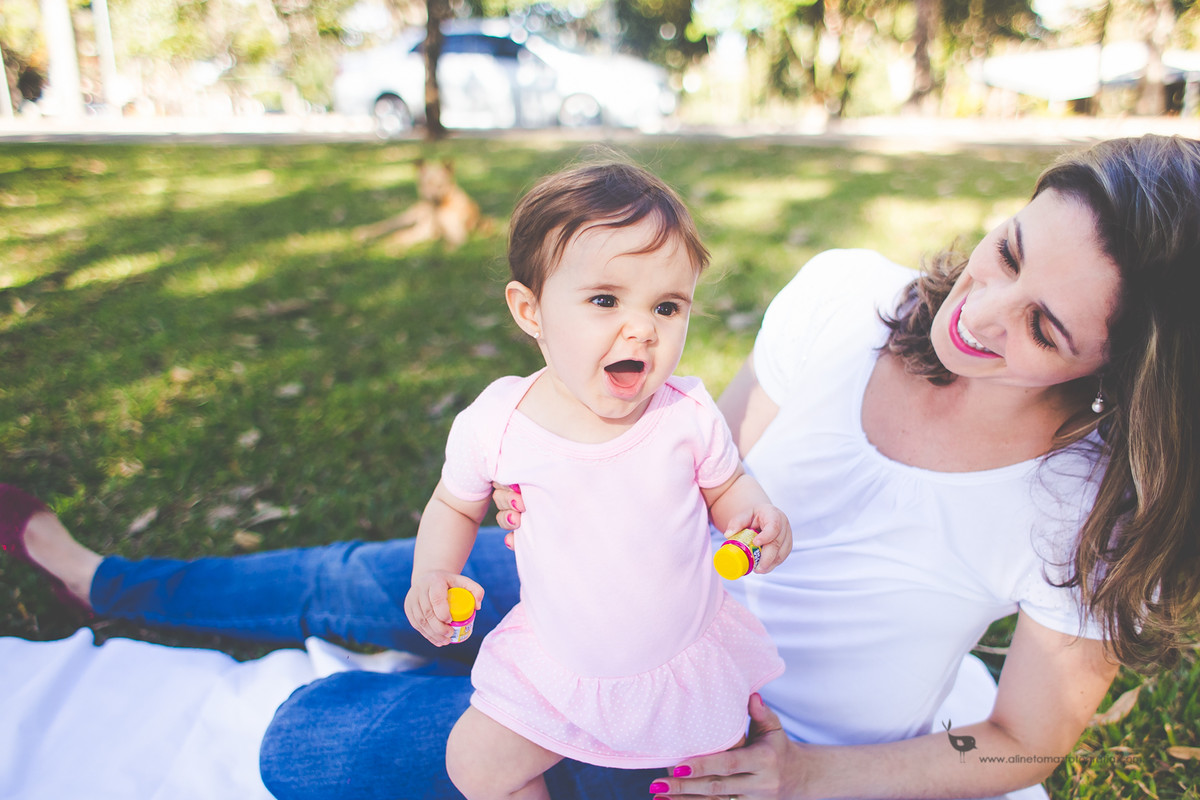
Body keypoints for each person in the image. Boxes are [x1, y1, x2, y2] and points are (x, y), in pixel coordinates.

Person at [3, 134, 1199, 800]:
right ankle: (107, 578)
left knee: (307, 745)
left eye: (1045, 326)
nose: (981, 311)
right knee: (371, 576)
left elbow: (1025, 737)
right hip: (618, 576)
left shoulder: (1082, 509)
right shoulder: (850, 295)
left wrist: (801, 774)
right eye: (1006, 251)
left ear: (1126, 371)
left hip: (721, 727)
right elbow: (710, 449)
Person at [401, 161, 788, 799]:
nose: (643, 328)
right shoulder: (498, 422)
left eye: (667, 306)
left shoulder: (686, 415)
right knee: (474, 764)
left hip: (678, 660)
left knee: (716, 783)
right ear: (530, 310)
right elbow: (455, 504)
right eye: (605, 300)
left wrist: (755, 514)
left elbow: (726, 489)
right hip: (560, 665)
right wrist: (434, 571)